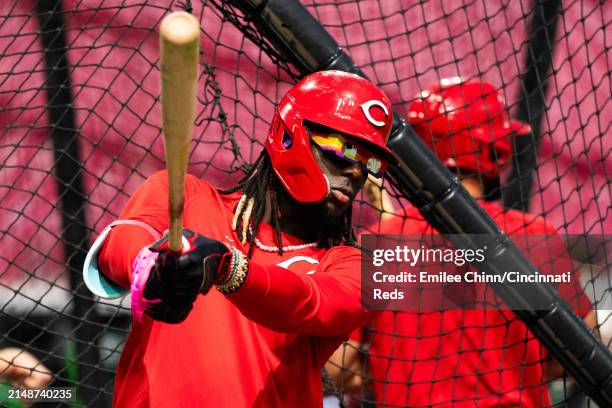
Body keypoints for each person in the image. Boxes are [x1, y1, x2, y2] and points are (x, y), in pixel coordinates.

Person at [82, 70, 398, 407]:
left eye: (370, 163)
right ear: (289, 135)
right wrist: (151, 268)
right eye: (345, 150)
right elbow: (122, 243)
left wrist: (230, 269)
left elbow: (310, 302)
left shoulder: (356, 266)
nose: (356, 172)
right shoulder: (185, 197)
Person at [327, 78, 594, 407]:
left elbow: (340, 366)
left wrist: (394, 368)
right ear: (493, 150)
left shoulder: (379, 242)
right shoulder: (535, 236)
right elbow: (580, 352)